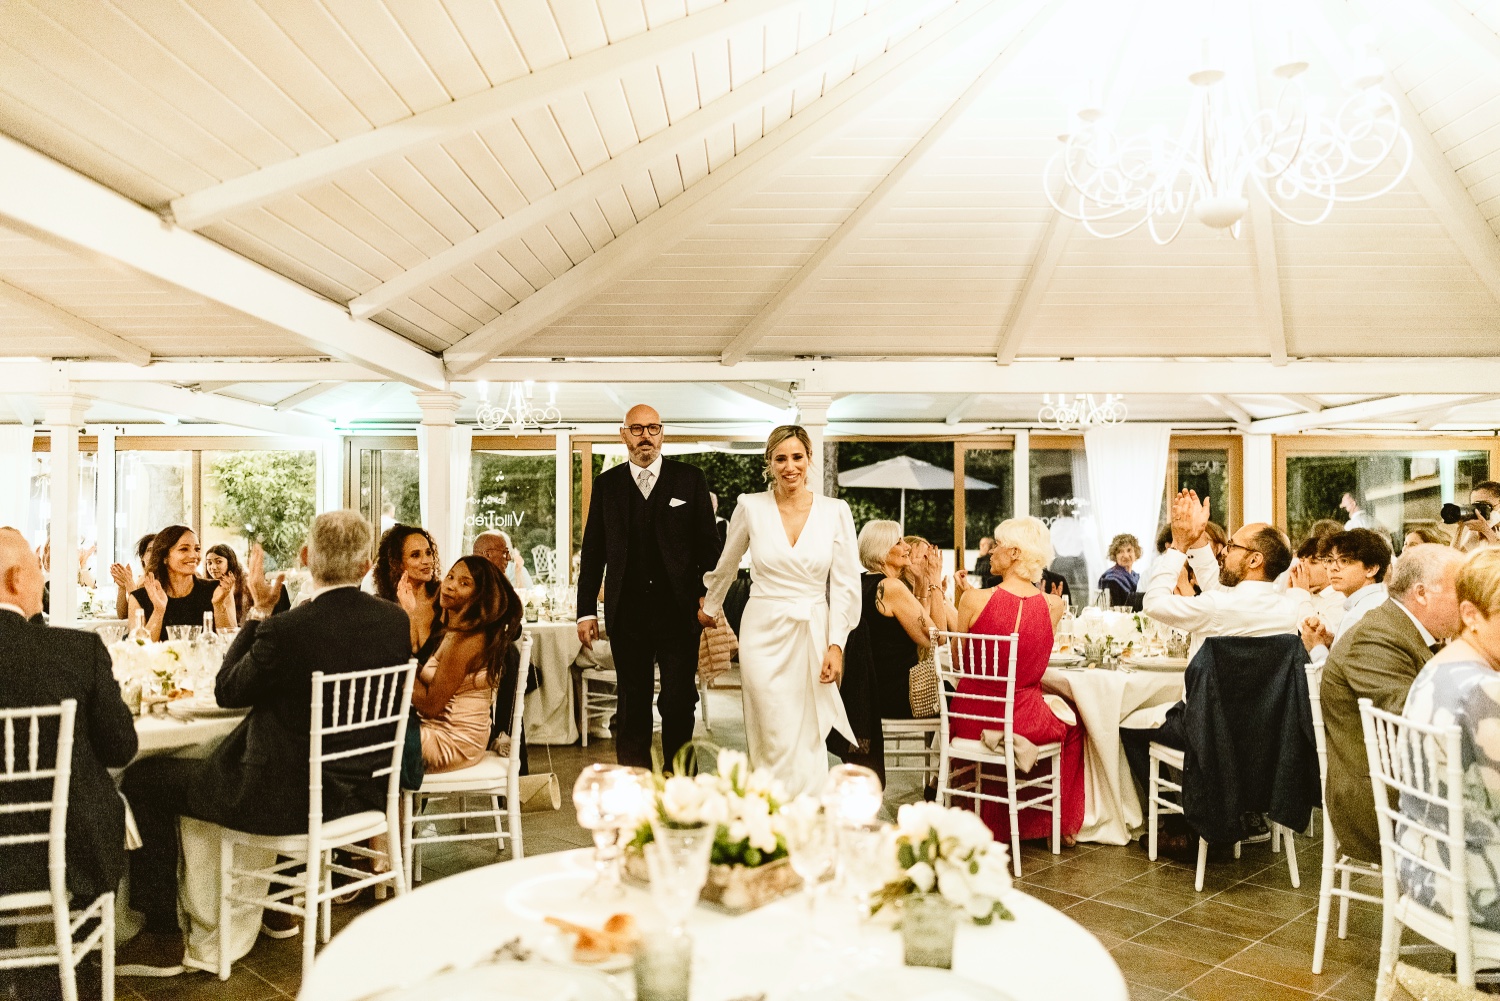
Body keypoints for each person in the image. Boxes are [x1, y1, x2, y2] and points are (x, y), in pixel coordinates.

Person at [118, 511, 411, 976]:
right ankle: (277, 906)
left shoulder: (287, 629)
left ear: (306, 557)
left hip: (283, 801)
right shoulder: (394, 621)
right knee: (284, 750)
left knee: (143, 777)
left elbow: (227, 691)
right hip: (359, 792)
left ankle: (162, 934)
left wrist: (258, 612)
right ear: (366, 565)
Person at [701, 425, 861, 797]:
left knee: (807, 731)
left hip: (813, 630)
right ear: (769, 463)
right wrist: (710, 606)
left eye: (797, 457)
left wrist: (836, 644)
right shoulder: (751, 507)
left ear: (809, 459)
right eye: (781, 458)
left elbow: (846, 584)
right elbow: (727, 564)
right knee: (770, 727)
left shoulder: (835, 512)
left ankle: (807, 809)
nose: (790, 467)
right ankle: (768, 806)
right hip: (762, 631)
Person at [1123, 491, 1311, 800]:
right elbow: (1218, 588)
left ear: (1254, 559)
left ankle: (1176, 816)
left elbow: (1153, 603)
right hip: (1265, 733)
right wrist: (1197, 537)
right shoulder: (1288, 608)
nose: (1224, 551)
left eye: (1232, 546)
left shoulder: (1218, 607)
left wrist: (1179, 545)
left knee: (1126, 725)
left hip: (1208, 730)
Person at [0, 527, 138, 913]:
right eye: (38, 570)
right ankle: (85, 942)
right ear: (16, 579)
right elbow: (120, 750)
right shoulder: (75, 651)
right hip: (67, 849)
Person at [577, 405, 721, 769]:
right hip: (627, 614)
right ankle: (635, 784)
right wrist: (585, 611)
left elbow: (709, 547)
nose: (646, 436)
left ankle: (680, 785)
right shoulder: (607, 486)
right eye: (637, 429)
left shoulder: (690, 479)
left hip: (679, 612)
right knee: (632, 705)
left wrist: (709, 598)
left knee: (678, 702)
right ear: (624, 434)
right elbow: (593, 552)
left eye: (653, 428)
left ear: (662, 433)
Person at [1320, 544, 1462, 864]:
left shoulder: (1400, 629)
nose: (1469, 604)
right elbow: (1417, 722)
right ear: (1421, 593)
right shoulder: (1376, 637)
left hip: (1410, 785)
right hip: (1382, 805)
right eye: (1461, 592)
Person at [952, 516, 1082, 845]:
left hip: (971, 718)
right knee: (1076, 725)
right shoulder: (1054, 605)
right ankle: (1052, 823)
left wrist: (966, 599)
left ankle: (982, 816)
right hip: (1023, 718)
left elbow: (958, 663)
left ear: (1013, 553)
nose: (991, 552)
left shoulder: (972, 599)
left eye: (996, 545)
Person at [1398, 548, 1500, 932]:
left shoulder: (1439, 667)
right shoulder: (1485, 689)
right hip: (1474, 886)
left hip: (1422, 866)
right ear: (1471, 615)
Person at [414, 556, 523, 773]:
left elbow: (430, 706)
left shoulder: (467, 641)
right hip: (443, 732)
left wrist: (396, 670)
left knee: (369, 740)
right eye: (450, 577)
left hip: (451, 742)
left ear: (480, 595)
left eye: (464, 583)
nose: (450, 586)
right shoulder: (458, 631)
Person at [856, 521, 941, 720]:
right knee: (963, 697)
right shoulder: (891, 586)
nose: (907, 547)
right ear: (882, 551)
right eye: (898, 542)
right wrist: (935, 580)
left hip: (871, 692)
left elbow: (914, 627)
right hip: (899, 695)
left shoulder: (862, 581)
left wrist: (920, 583)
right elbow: (936, 638)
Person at [126, 525, 235, 640]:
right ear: (164, 557)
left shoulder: (218, 590)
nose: (194, 555)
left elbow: (230, 644)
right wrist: (158, 610)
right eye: (184, 549)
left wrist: (219, 606)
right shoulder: (139, 598)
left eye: (197, 549)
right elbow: (140, 647)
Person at [1301, 528, 1392, 661]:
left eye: (1344, 561)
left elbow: (1331, 674)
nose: (1333, 568)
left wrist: (1316, 646)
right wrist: (1331, 643)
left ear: (1371, 569)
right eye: (1329, 560)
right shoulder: (1380, 601)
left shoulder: (1357, 616)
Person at [375, 524, 441, 655]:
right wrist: (406, 612)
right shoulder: (381, 606)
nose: (426, 561)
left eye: (428, 553)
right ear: (397, 563)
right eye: (416, 555)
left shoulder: (443, 599)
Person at [205, 543, 291, 623]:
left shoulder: (248, 584)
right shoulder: (207, 587)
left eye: (218, 562)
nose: (213, 567)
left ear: (230, 562)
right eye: (209, 563)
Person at [110, 532, 155, 620]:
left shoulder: (163, 580)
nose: (154, 554)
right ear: (142, 556)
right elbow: (123, 615)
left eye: (157, 550)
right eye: (150, 550)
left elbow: (145, 615)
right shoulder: (141, 580)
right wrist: (122, 587)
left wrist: (130, 584)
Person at [1451, 480, 1500, 553]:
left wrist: (1486, 530)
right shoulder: (1478, 530)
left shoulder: (1484, 528)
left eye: (1485, 506)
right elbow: (1456, 556)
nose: (1479, 511)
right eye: (1475, 506)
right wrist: (1460, 528)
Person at [1097, 533, 1142, 609]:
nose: (1126, 555)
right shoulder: (1111, 580)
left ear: (1136, 553)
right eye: (1120, 551)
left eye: (1129, 550)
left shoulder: (1136, 577)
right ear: (1115, 555)